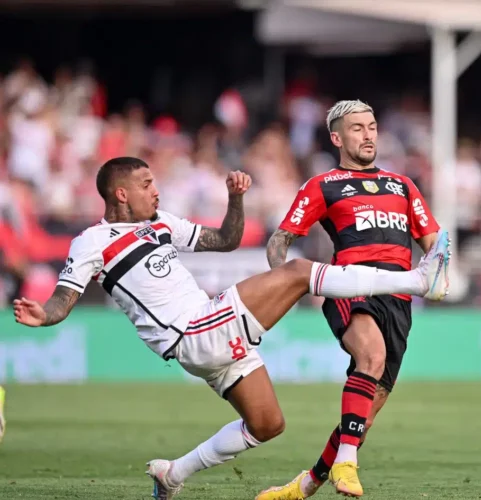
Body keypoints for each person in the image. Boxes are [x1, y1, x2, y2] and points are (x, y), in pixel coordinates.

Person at [12, 156, 451, 500]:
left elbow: (225, 240)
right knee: (298, 271)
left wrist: (235, 199)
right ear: (121, 193)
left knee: (267, 425)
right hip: (194, 332)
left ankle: (172, 473)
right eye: (147, 185)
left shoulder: (162, 225)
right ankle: (414, 280)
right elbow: (63, 300)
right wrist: (43, 315)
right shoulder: (92, 241)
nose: (156, 190)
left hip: (209, 337)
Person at [259, 100, 441, 499]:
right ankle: (347, 463)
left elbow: (433, 242)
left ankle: (304, 487)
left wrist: (442, 268)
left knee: (365, 414)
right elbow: (281, 238)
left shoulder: (403, 185)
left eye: (372, 126)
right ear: (337, 137)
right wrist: (282, 280)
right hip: (351, 284)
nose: (369, 134)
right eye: (357, 128)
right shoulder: (323, 185)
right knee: (371, 357)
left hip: (399, 296)